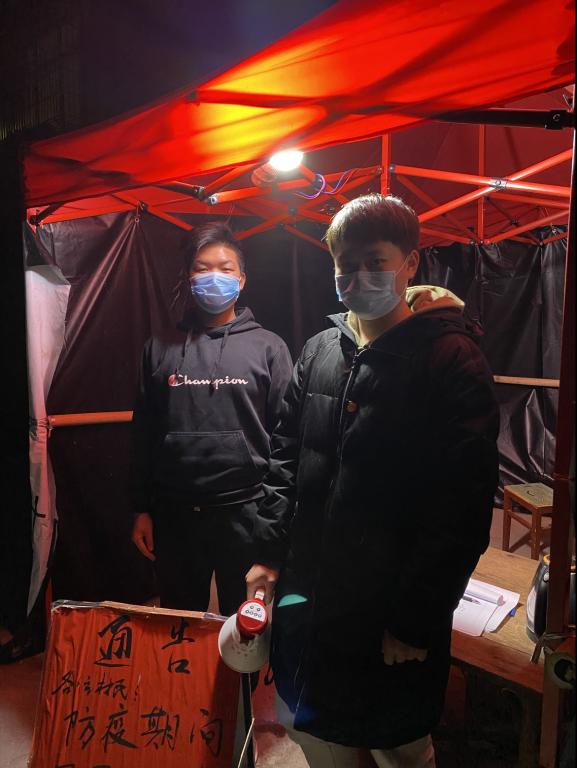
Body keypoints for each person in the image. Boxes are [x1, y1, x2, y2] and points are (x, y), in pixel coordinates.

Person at [245, 194, 500, 767]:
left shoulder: (452, 361)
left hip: (389, 614)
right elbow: (285, 456)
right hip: (311, 601)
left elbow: (460, 510)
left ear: (411, 263)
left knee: (398, 746)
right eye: (346, 265)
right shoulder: (320, 350)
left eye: (376, 261)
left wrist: (415, 619)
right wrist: (266, 553)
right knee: (315, 732)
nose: (359, 277)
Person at [130, 221, 294, 616]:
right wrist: (140, 508)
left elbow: (288, 441)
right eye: (202, 268)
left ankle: (243, 665)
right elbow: (143, 434)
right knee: (179, 624)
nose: (213, 277)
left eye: (224, 268)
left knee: (245, 627)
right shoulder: (159, 348)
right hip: (174, 514)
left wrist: (275, 525)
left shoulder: (269, 347)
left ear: (241, 279)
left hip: (247, 513)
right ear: (188, 278)